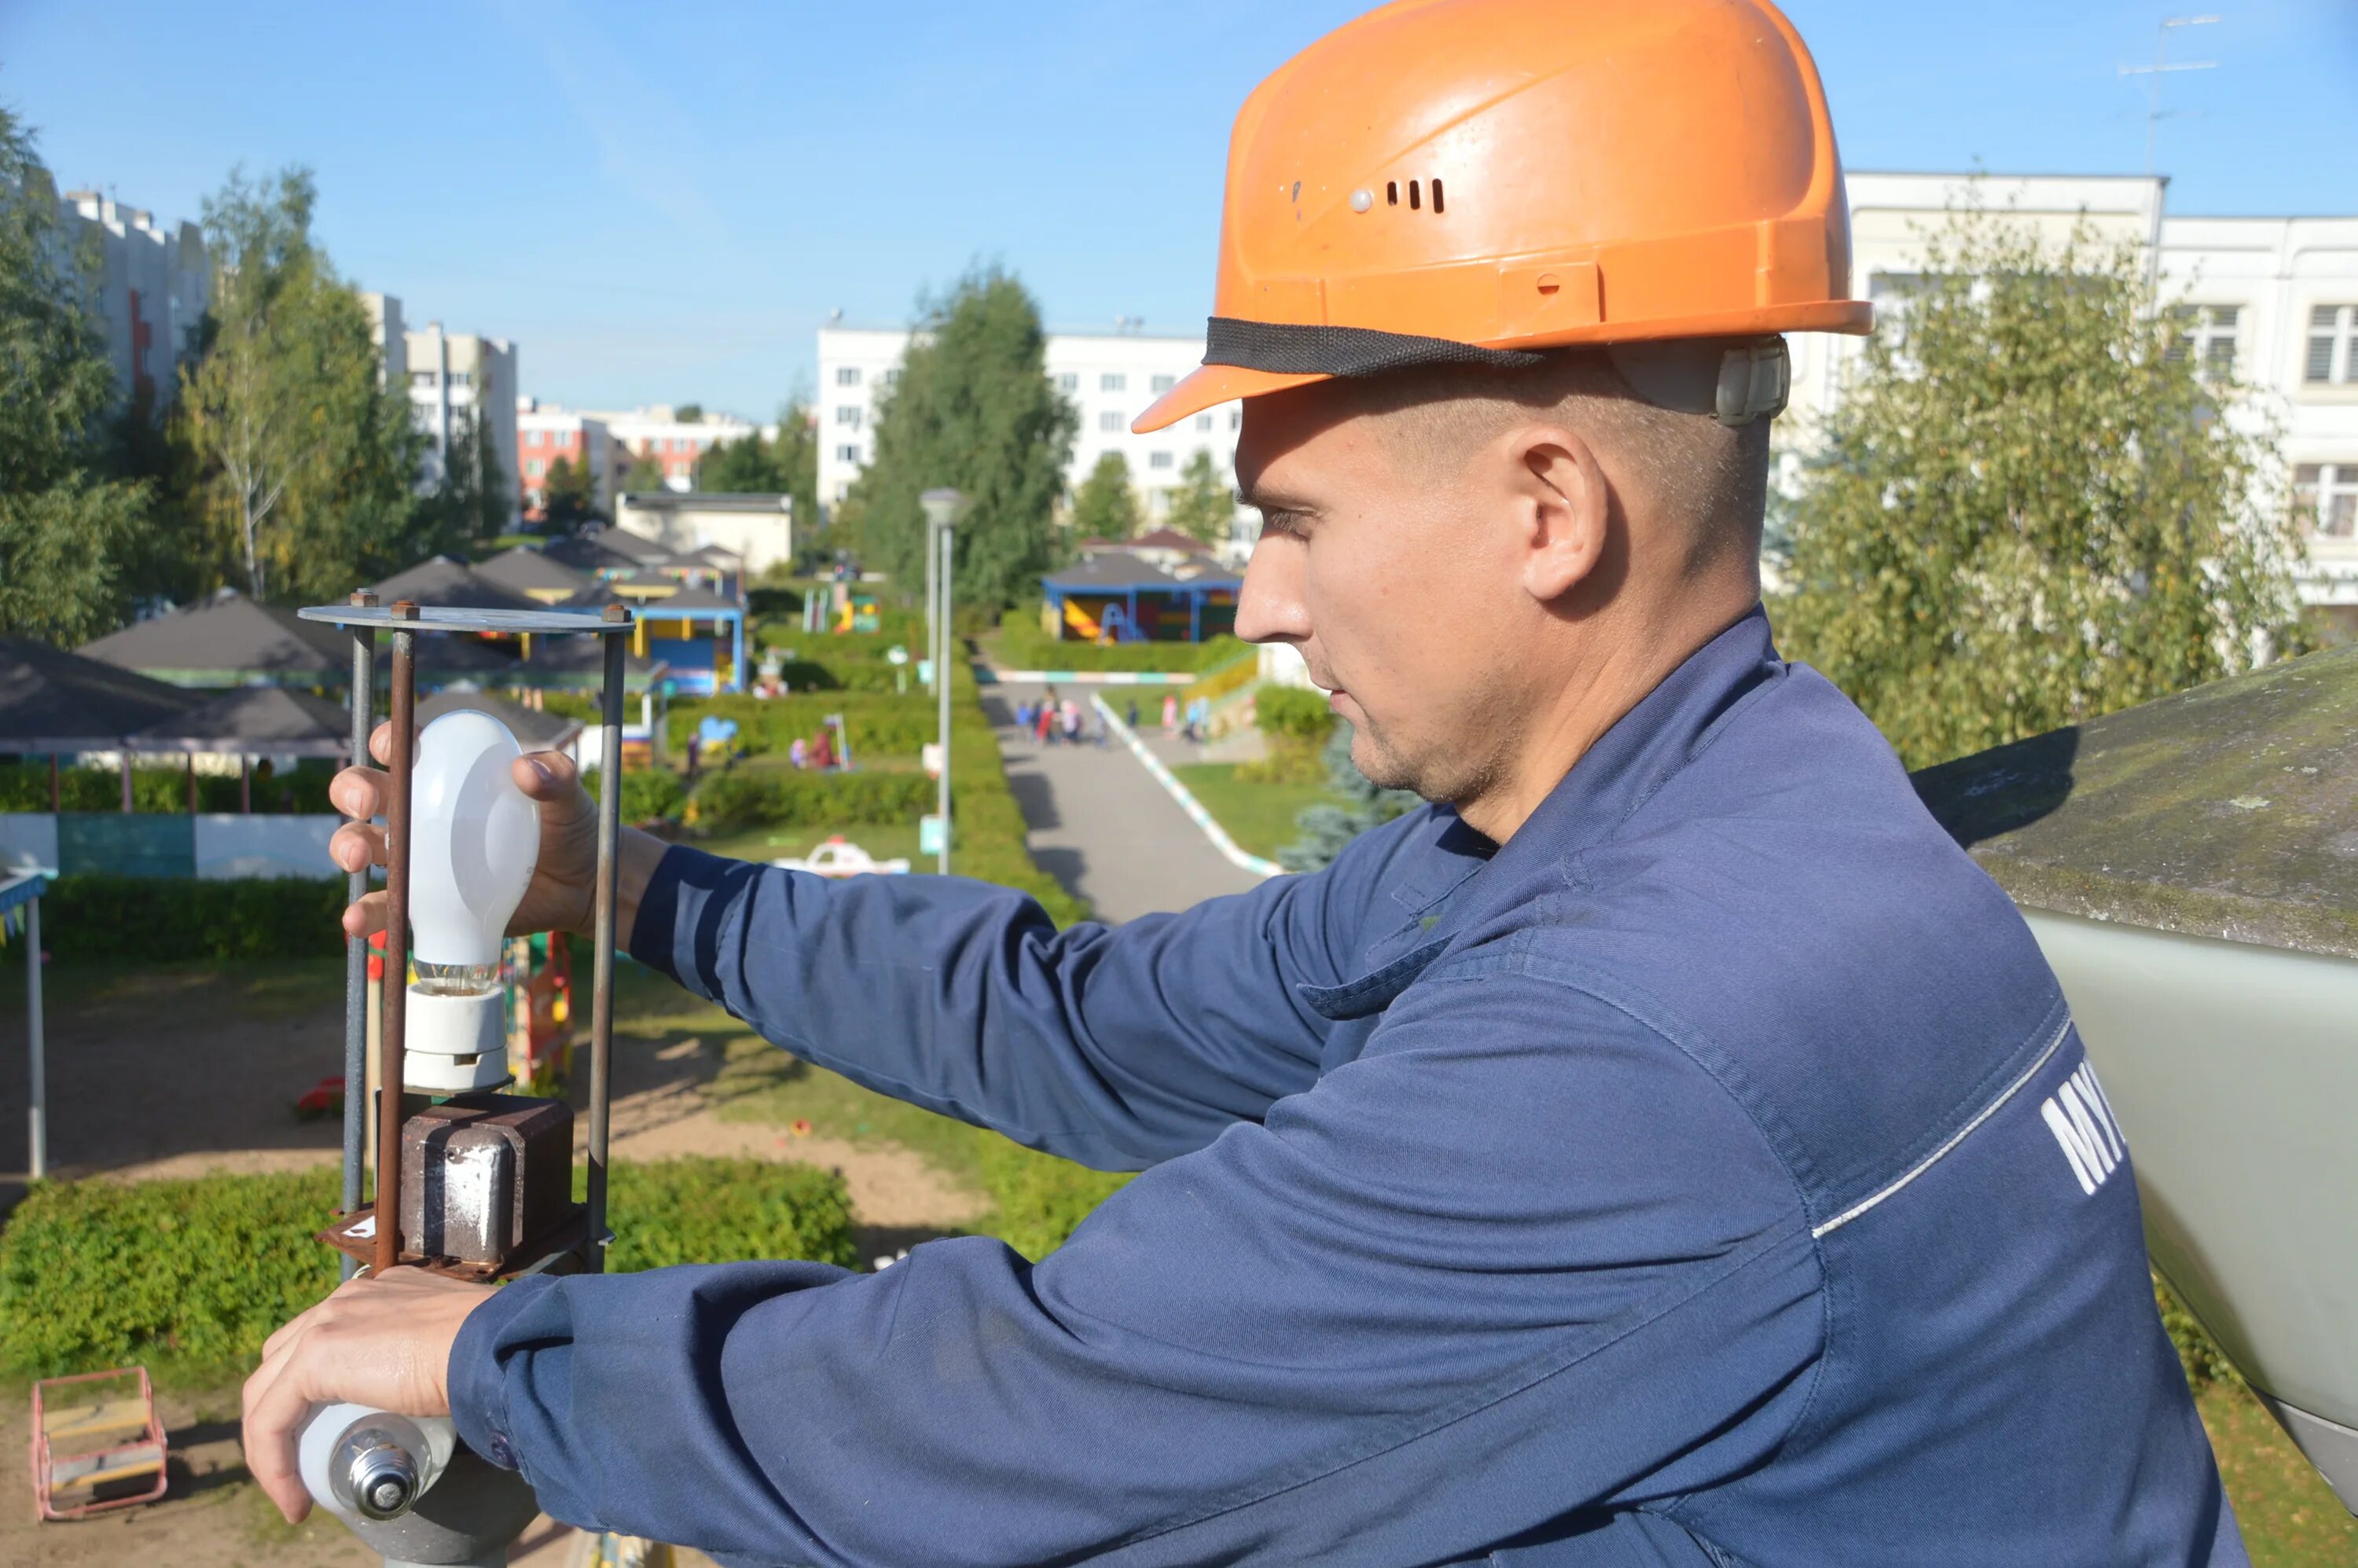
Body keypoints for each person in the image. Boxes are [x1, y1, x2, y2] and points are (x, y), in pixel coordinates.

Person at [244, 2, 2242, 1562]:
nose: (1263, 602)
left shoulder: (1660, 1030)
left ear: (1550, 511)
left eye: (1290, 517)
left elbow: (1033, 1417)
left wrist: (489, 1359)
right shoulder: (1665, 812)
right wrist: (634, 882)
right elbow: (1089, 1028)